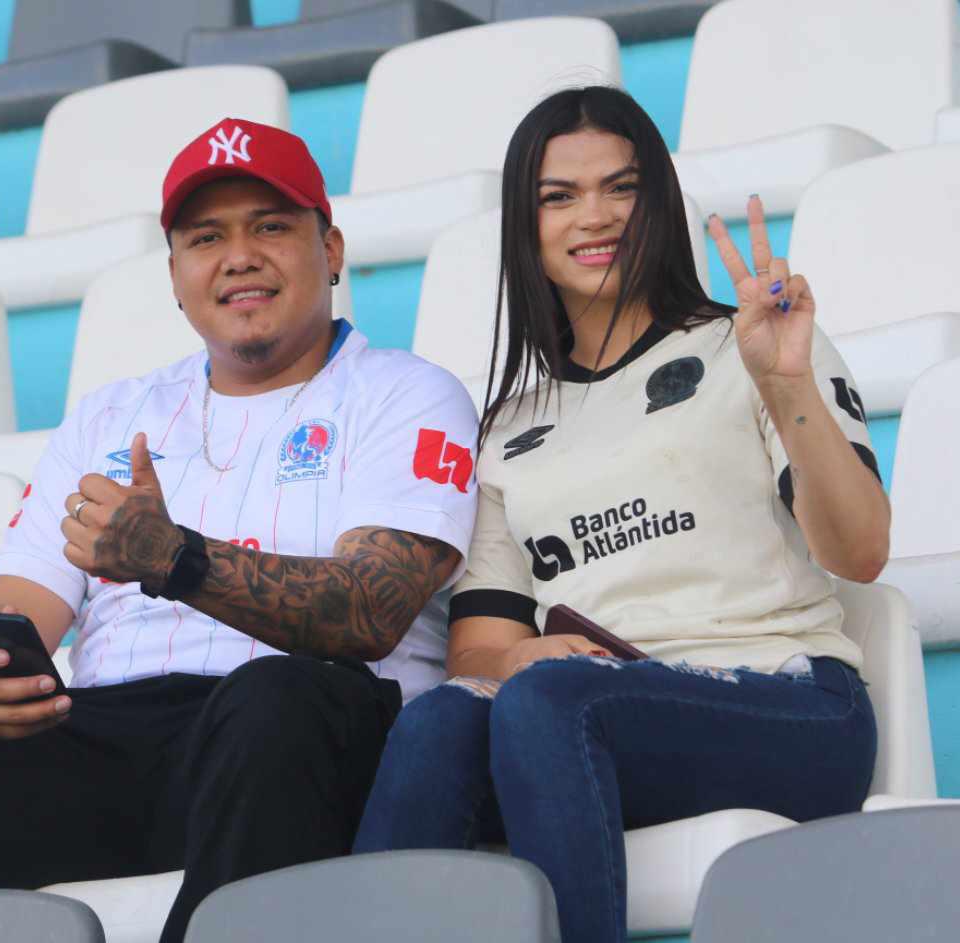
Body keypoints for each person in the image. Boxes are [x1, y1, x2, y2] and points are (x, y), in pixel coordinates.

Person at [0, 118, 478, 942]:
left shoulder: (405, 392)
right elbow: (17, 599)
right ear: (174, 274)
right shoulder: (111, 415)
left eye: (270, 226)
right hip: (114, 739)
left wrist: (174, 557)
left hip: (302, 734)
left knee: (277, 697)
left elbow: (368, 613)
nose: (239, 256)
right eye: (207, 237)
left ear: (331, 249)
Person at [353, 86, 888, 943]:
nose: (592, 217)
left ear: (660, 202)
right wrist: (527, 651)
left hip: (791, 705)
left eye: (621, 187)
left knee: (552, 703)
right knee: (439, 720)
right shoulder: (509, 426)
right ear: (524, 229)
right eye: (557, 197)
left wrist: (785, 385)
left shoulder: (752, 344)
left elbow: (860, 551)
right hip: (591, 714)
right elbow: (477, 653)